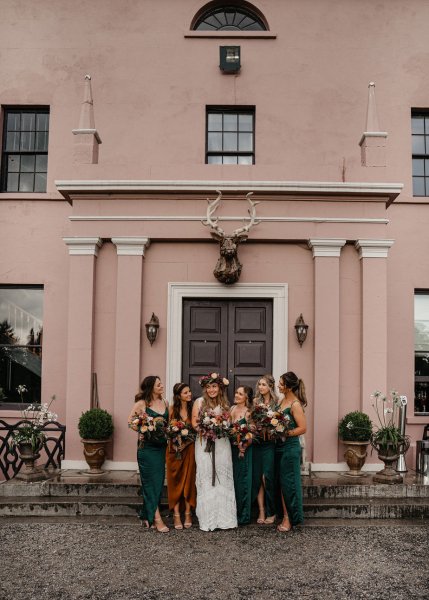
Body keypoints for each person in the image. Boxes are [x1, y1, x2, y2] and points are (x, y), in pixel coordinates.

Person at [191, 373, 237, 531]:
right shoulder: (199, 402)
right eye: (209, 386)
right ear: (205, 388)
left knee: (222, 476)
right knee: (206, 474)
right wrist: (206, 429)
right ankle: (208, 520)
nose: (211, 389)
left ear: (220, 388)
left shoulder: (225, 404)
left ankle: (226, 519)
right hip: (204, 443)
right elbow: (194, 423)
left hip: (222, 443)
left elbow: (229, 423)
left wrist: (220, 427)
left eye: (214, 386)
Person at [128, 375, 169, 533]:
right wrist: (141, 430)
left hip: (161, 448)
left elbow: (167, 423)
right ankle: (157, 519)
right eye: (159, 384)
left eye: (161, 384)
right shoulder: (142, 403)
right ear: (151, 387)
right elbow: (130, 421)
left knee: (158, 482)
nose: (161, 386)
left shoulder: (165, 402)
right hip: (146, 449)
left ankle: (147, 517)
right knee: (150, 483)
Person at [275, 371, 307, 532]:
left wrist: (285, 433)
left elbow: (302, 428)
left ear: (288, 386)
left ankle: (290, 518)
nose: (278, 386)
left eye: (281, 383)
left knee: (289, 484)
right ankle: (285, 515)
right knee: (281, 483)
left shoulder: (294, 404)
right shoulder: (282, 401)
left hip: (290, 447)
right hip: (279, 447)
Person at [166, 382, 197, 530]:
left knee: (189, 481)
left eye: (189, 391)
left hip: (190, 449)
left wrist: (187, 442)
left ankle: (188, 512)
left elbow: (197, 430)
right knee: (175, 481)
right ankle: (176, 514)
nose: (189, 394)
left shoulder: (193, 409)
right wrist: (176, 442)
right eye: (186, 393)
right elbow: (167, 431)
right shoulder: (172, 410)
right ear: (178, 396)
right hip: (174, 450)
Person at [252, 374, 279, 524]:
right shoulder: (256, 402)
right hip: (257, 443)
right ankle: (261, 511)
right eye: (259, 385)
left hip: (270, 444)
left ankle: (271, 511)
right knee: (258, 478)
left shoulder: (277, 403)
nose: (261, 387)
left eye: (264, 385)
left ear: (270, 386)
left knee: (267, 477)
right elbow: (252, 420)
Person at [230, 385, 254, 526]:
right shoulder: (232, 409)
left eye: (240, 393)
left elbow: (252, 433)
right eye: (236, 392)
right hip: (231, 450)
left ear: (246, 397)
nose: (236, 395)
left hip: (243, 450)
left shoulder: (248, 413)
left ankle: (244, 515)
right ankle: (233, 512)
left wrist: (244, 445)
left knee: (243, 482)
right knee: (233, 481)